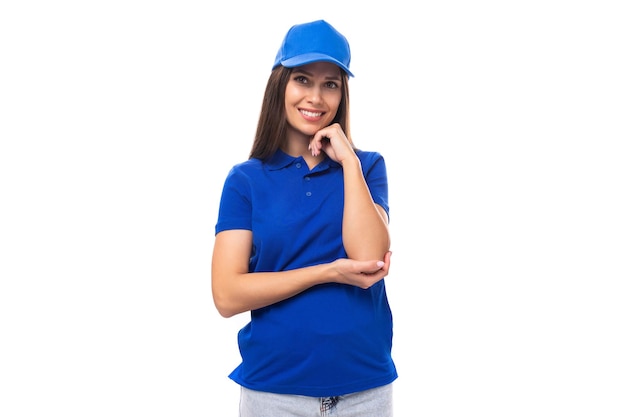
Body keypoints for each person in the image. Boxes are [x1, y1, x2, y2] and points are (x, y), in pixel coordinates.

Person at [211, 19, 397, 416]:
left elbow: (368, 256)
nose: (316, 96)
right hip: (275, 394)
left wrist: (347, 159)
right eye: (302, 79)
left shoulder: (367, 167)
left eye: (330, 83)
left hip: (365, 391)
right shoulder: (246, 180)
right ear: (280, 85)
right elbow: (227, 295)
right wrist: (326, 272)